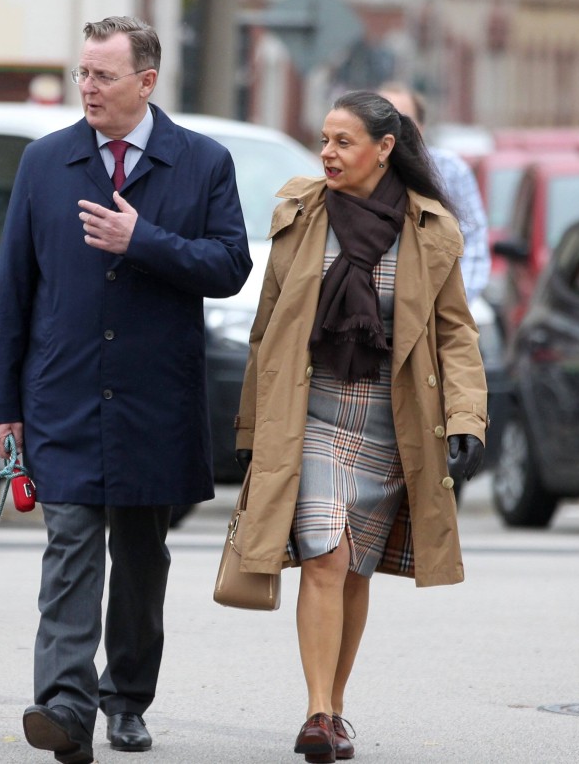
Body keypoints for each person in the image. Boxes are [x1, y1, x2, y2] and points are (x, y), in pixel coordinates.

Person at [0, 16, 251, 763]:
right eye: (83, 73)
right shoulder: (46, 162)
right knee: (69, 551)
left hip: (152, 403)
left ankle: (126, 698)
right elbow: (14, 292)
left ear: (146, 82)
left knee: (140, 561)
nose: (88, 87)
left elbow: (230, 265)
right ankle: (65, 708)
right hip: (61, 396)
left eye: (103, 75)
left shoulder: (201, 162)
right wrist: (0, 407)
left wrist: (144, 242)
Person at [232, 90, 487, 763]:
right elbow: (267, 326)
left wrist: (465, 415)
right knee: (325, 554)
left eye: (343, 142)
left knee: (356, 570)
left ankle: (335, 705)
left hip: (389, 418)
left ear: (385, 148)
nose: (327, 154)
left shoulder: (430, 229)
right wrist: (253, 427)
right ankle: (317, 712)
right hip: (310, 414)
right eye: (323, 140)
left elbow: (456, 333)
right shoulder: (302, 209)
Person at [377, 82, 490, 303]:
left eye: (401, 120)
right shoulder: (360, 172)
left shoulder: (450, 170)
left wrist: (450, 305)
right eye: (380, 119)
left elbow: (474, 245)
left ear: (420, 126)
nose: (390, 129)